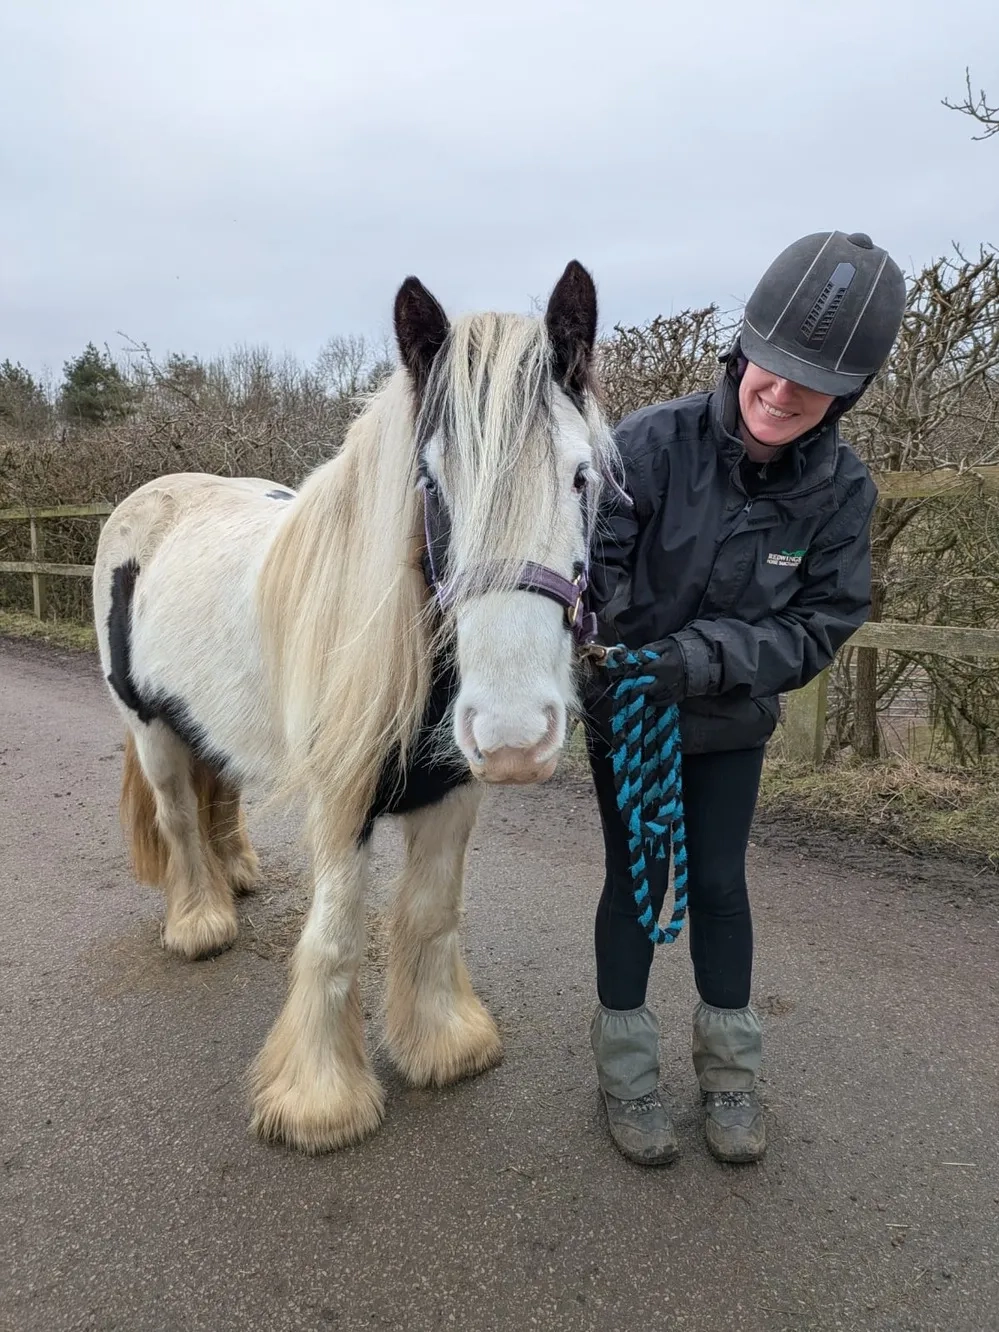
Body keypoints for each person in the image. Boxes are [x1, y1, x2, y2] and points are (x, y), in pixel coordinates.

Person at [585, 230, 906, 1166]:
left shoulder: (841, 493)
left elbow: (820, 623)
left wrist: (703, 659)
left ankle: (729, 1073)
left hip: (728, 724)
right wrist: (633, 655)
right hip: (630, 715)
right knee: (635, 886)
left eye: (809, 382)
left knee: (719, 885)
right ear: (743, 351)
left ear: (843, 397)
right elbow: (594, 571)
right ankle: (626, 1072)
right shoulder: (644, 445)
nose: (779, 391)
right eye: (770, 365)